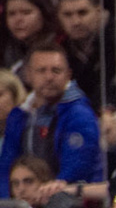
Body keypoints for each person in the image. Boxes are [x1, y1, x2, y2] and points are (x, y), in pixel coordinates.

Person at [0, 45, 104, 197]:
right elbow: (6, 169)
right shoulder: (19, 115)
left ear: (68, 75)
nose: (49, 77)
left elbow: (77, 168)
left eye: (56, 71)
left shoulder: (80, 114)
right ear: (28, 75)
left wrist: (51, 199)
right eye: (41, 71)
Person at [57, 0, 116, 116]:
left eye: (82, 13)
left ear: (99, 12)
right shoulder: (58, 48)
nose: (75, 21)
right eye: (67, 15)